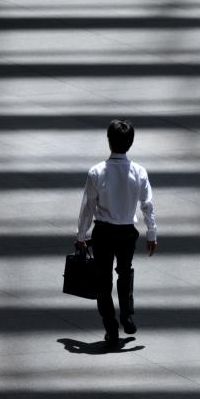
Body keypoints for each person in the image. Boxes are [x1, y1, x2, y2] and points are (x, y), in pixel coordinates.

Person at [76, 119, 157, 347]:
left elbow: (87, 207)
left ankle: (110, 326)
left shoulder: (97, 172)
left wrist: (81, 236)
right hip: (127, 233)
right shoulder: (139, 172)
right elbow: (147, 205)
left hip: (103, 232)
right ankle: (127, 314)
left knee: (103, 280)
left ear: (109, 141)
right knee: (125, 271)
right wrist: (152, 233)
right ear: (130, 143)